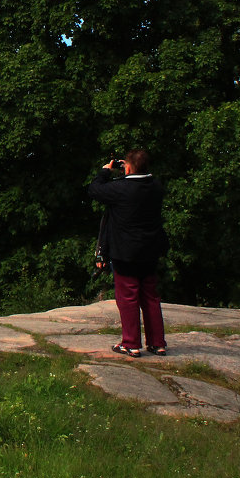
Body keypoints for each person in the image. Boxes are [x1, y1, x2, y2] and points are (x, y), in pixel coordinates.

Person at [88, 149, 169, 358]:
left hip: (125, 251)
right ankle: (157, 343)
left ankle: (131, 343)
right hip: (150, 249)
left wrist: (105, 171)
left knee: (128, 297)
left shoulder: (121, 188)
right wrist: (130, 168)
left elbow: (95, 189)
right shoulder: (156, 187)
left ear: (129, 167)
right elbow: (139, 178)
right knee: (150, 296)